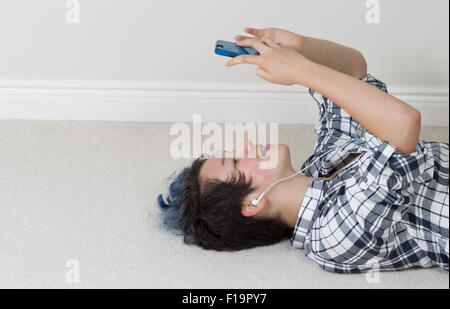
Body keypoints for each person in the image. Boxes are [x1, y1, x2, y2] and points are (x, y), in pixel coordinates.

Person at [157, 27, 449, 274]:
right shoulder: (331, 234)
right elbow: (403, 124)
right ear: (252, 204)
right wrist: (299, 70)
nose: (246, 144)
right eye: (235, 160)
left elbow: (354, 71)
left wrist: (301, 47)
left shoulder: (325, 162)